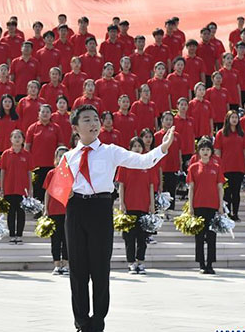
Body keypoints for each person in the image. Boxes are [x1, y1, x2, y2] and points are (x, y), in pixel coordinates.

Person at [62, 104, 174, 332]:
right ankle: (81, 322)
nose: (93, 123)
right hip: (75, 211)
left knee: (100, 268)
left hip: (100, 208)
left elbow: (142, 161)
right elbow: (58, 188)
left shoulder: (110, 151)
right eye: (86, 120)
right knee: (78, 269)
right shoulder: (67, 157)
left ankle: (98, 322)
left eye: (95, 119)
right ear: (75, 127)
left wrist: (163, 148)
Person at [117, 137, 157, 274]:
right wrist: (121, 203)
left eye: (139, 146)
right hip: (129, 205)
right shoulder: (125, 164)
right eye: (134, 146)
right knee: (129, 237)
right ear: (130, 148)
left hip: (144, 206)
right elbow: (121, 185)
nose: (137, 148)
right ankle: (131, 263)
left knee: (142, 237)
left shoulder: (148, 164)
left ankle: (140, 261)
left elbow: (151, 186)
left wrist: (152, 204)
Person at [186, 136, 224, 274]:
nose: (205, 152)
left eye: (208, 149)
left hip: (213, 205)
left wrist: (220, 206)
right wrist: (190, 207)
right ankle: (201, 263)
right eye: (203, 149)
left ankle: (210, 264)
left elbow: (220, 187)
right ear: (198, 152)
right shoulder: (194, 167)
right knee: (200, 237)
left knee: (212, 236)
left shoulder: (217, 167)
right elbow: (191, 188)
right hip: (198, 204)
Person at [0, 129, 33, 244]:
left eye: (19, 137)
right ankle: (12, 234)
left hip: (22, 188)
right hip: (9, 187)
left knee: (21, 212)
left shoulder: (27, 155)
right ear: (11, 139)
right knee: (11, 212)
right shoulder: (6, 154)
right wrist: (2, 187)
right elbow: (2, 171)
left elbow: (29, 172)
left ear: (23, 139)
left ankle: (19, 235)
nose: (17, 139)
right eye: (15, 137)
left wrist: (30, 188)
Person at [214, 110, 245, 221]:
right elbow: (218, 151)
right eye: (232, 117)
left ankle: (236, 213)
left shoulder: (241, 134)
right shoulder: (221, 133)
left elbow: (244, 151)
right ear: (228, 119)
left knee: (236, 192)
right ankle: (226, 214)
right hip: (225, 167)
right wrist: (218, 166)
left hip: (238, 167)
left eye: (236, 117)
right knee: (227, 193)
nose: (234, 119)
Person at [43, 146, 69, 274]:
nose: (62, 158)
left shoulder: (72, 173)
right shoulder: (51, 173)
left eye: (65, 156)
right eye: (60, 156)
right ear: (56, 158)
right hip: (54, 210)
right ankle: (57, 264)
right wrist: (46, 209)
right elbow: (47, 192)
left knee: (67, 239)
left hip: (68, 211)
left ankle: (65, 264)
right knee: (56, 239)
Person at [155, 111, 182, 217]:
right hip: (161, 167)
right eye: (166, 119)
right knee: (162, 189)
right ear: (162, 121)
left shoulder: (177, 136)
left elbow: (179, 151)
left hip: (173, 167)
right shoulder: (157, 136)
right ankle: (161, 211)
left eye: (170, 120)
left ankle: (170, 211)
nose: (168, 122)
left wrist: (180, 164)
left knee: (171, 190)